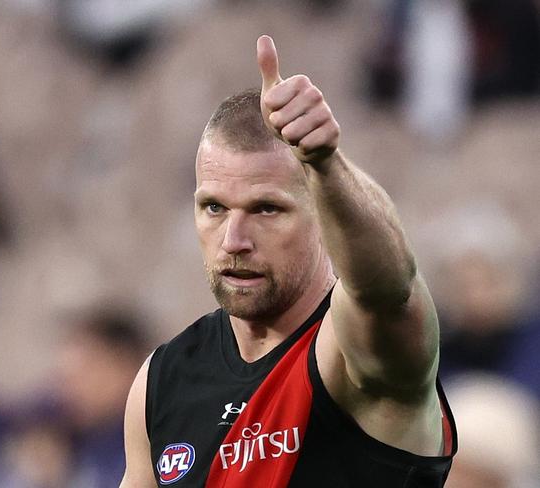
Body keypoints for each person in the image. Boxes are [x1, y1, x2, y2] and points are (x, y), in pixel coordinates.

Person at [120, 35, 457, 487]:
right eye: (214, 208)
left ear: (322, 215)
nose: (234, 240)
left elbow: (389, 289)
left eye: (266, 209)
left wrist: (325, 164)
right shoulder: (162, 381)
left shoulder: (352, 347)